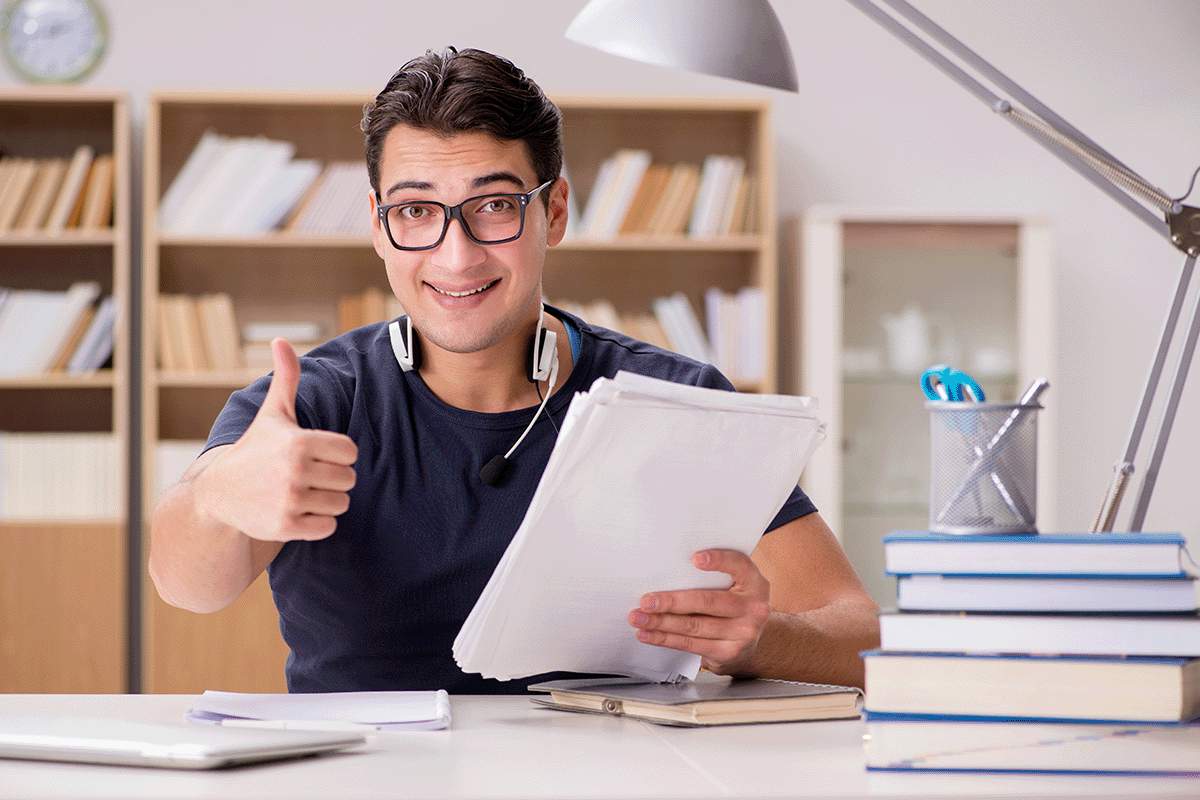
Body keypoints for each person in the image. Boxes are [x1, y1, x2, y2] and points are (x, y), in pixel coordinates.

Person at [149, 47, 879, 694]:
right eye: (415, 212)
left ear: (554, 211)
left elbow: (861, 635)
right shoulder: (307, 402)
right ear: (377, 225)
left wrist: (758, 641)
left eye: (494, 206)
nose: (456, 255)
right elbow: (185, 586)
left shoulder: (679, 403)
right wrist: (217, 496)